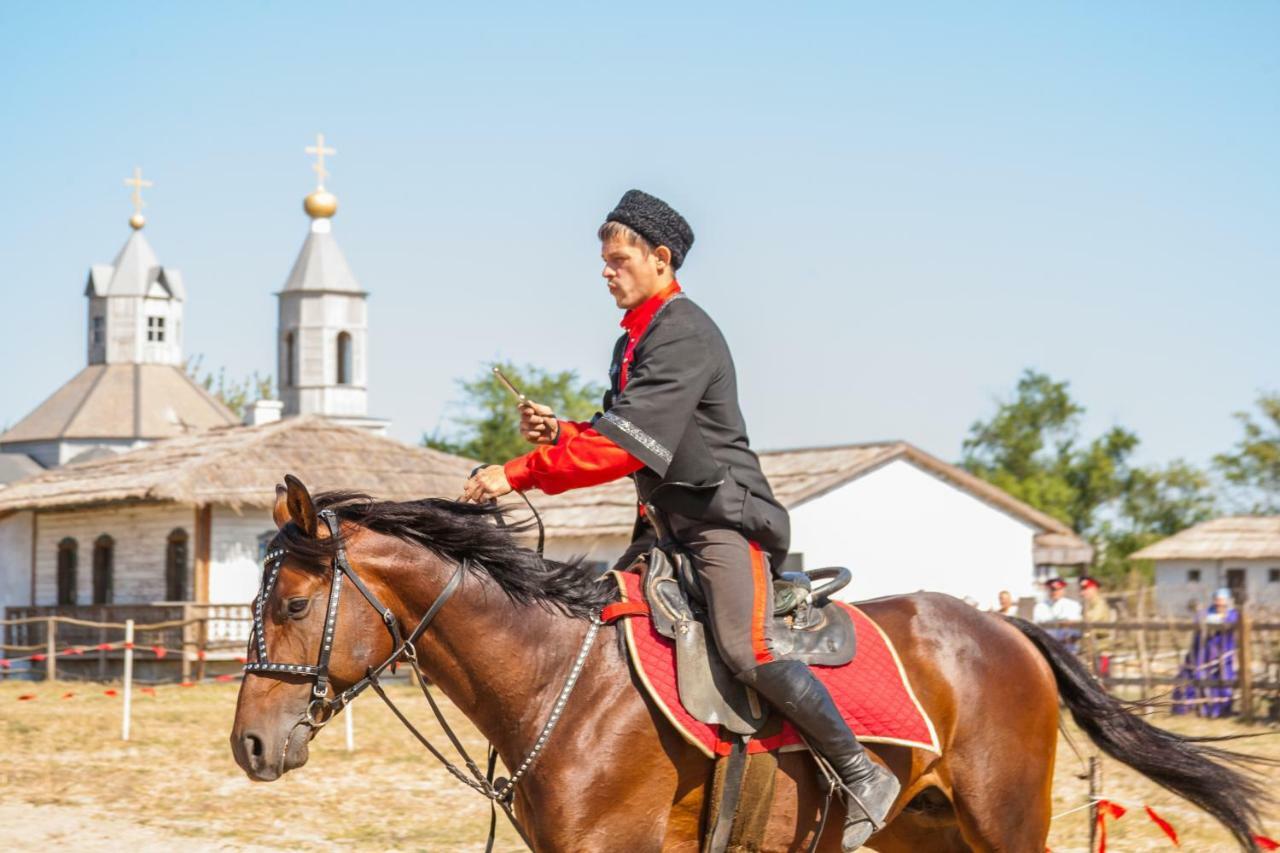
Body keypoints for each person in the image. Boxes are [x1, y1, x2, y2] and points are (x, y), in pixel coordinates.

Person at [459, 190, 899, 849]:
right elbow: (619, 430)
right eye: (603, 262)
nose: (605, 272)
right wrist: (561, 431)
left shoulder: (684, 330)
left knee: (746, 647)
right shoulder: (633, 340)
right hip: (664, 535)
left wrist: (518, 470)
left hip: (722, 525)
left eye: (617, 260)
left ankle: (864, 773)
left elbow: (627, 446)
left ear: (660, 259)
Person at [1173, 588, 1239, 718]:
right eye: (1217, 600)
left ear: (1227, 602)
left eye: (1221, 601)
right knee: (1192, 676)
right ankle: (1191, 708)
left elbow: (1230, 624)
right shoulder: (1206, 612)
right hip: (1202, 654)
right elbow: (1198, 621)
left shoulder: (1232, 614)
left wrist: (1221, 621)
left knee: (1223, 680)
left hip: (1223, 655)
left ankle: (1219, 710)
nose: (1219, 603)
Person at [1078, 576, 1114, 677]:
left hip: (1101, 648)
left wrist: (1076, 621)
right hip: (1090, 649)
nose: (1082, 593)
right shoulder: (1087, 605)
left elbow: (1091, 620)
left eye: (1085, 589)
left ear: (1094, 589)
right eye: (1082, 589)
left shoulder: (1099, 603)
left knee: (1102, 681)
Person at [1033, 577, 1083, 648]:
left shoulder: (1073, 605)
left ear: (1063, 590)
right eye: (1052, 589)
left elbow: (1076, 626)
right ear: (1048, 590)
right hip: (1047, 645)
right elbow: (1037, 625)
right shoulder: (1040, 606)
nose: (1055, 592)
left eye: (1058, 589)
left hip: (1068, 645)